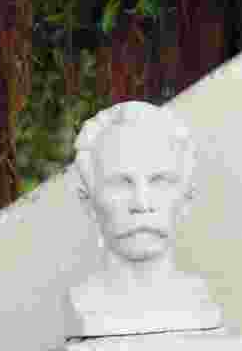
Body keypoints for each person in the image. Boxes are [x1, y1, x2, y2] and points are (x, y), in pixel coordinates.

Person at [65, 100, 223, 337]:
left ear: (186, 199)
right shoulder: (82, 305)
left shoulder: (199, 298)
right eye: (121, 183)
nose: (141, 203)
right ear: (88, 202)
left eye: (160, 181)